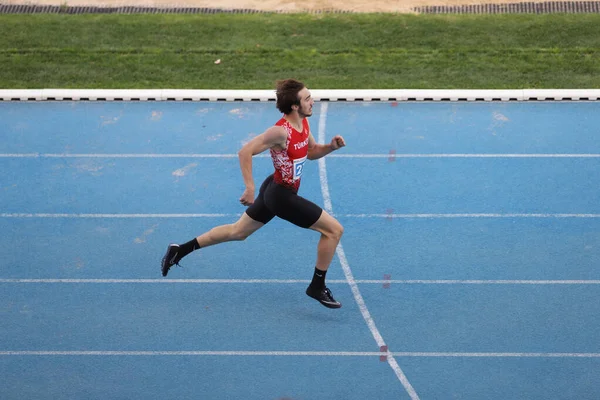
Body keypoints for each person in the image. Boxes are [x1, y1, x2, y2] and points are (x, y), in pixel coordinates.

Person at [161, 79, 346, 309]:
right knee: (334, 231)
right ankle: (317, 286)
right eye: (307, 98)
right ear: (295, 106)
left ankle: (180, 250)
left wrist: (330, 147)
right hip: (281, 197)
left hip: (275, 189)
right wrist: (249, 187)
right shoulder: (280, 131)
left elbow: (310, 152)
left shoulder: (304, 124)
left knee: (238, 232)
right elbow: (244, 151)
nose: (312, 101)